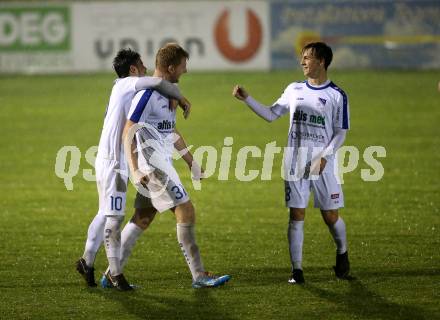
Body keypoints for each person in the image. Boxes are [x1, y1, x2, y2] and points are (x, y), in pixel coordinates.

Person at [100, 43, 230, 289]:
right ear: (170, 68)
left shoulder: (168, 93)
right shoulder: (147, 95)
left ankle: (110, 273)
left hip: (159, 164)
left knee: (143, 217)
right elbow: (129, 130)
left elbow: (169, 132)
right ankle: (199, 275)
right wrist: (136, 168)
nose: (186, 71)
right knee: (186, 211)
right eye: (183, 66)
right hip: (154, 167)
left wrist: (191, 163)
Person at [232, 42, 351, 284]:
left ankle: (342, 252)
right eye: (302, 57)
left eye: (308, 57)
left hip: (323, 165)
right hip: (295, 162)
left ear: (322, 62)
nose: (302, 61)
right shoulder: (294, 89)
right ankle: (297, 270)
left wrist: (325, 157)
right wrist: (247, 99)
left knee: (330, 217)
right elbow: (271, 114)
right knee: (296, 215)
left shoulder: (337, 95)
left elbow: (340, 132)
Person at [76, 48, 191, 290]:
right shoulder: (128, 83)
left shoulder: (123, 87)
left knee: (105, 212)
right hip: (114, 161)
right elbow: (160, 82)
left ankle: (87, 260)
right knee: (115, 216)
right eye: (142, 65)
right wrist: (181, 98)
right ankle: (116, 274)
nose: (146, 68)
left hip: (110, 158)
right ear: (132, 70)